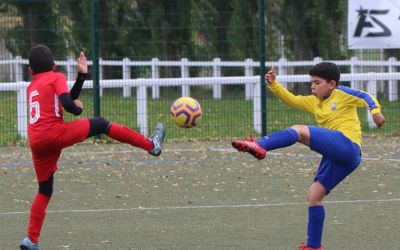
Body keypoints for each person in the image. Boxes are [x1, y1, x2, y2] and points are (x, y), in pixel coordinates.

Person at [20, 44, 165, 250]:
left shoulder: (32, 86)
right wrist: (77, 107)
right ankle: (152, 145)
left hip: (36, 141)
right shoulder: (57, 76)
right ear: (54, 66)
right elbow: (70, 105)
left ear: (30, 71)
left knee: (44, 189)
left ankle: (31, 239)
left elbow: (65, 101)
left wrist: (81, 76)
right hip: (54, 134)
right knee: (101, 124)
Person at [232, 62, 385, 250]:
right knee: (314, 196)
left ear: (331, 84)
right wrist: (273, 84)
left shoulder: (342, 93)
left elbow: (366, 96)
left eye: (317, 82)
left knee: (299, 130)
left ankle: (260, 145)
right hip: (341, 157)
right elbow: (292, 100)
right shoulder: (316, 102)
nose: (312, 86)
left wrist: (375, 112)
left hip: (348, 146)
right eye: (311, 82)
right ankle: (314, 246)